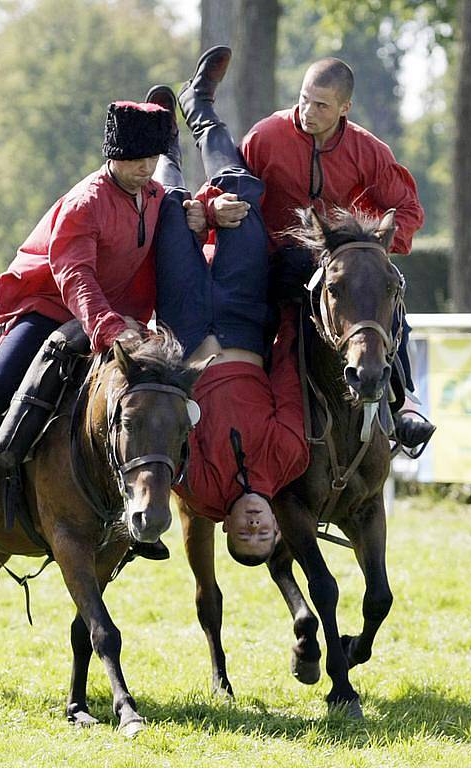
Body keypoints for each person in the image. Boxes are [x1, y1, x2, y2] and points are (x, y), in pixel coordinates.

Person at [0, 100, 172, 555]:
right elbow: (75, 278)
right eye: (135, 159)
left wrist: (212, 209)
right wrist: (109, 329)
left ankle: (132, 512)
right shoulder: (84, 204)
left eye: (152, 160)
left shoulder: (155, 196)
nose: (145, 169)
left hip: (115, 320)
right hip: (50, 308)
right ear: (113, 154)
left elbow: (183, 207)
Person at [190, 54, 435, 450]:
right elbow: (225, 184)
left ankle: (403, 402)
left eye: (321, 105)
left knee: (385, 294)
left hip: (333, 266)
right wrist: (212, 209)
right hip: (268, 262)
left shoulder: (368, 150)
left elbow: (408, 210)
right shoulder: (267, 135)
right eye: (304, 99)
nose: (307, 112)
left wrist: (374, 243)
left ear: (345, 108)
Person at [148, 47, 309, 566]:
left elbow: (165, 422)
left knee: (172, 215)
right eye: (265, 535)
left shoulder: (194, 488)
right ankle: (199, 106)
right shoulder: (290, 457)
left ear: (229, 532)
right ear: (278, 530)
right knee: (241, 196)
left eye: (246, 536)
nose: (256, 525)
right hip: (244, 322)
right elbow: (286, 371)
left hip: (187, 333)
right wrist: (284, 310)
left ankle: (165, 144)